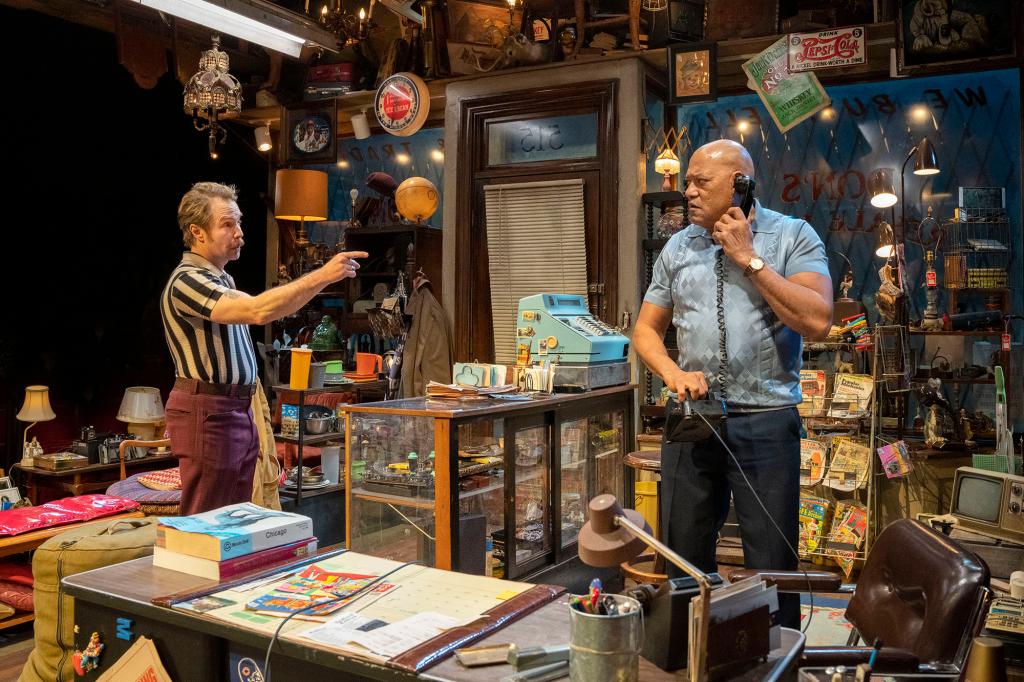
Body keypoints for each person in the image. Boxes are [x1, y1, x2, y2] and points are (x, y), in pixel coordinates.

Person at [633, 140, 833, 628]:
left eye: (702, 182)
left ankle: (778, 655)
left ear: (741, 185)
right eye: (688, 181)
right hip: (693, 419)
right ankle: (681, 656)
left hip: (765, 421)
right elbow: (645, 330)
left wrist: (748, 258)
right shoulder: (679, 245)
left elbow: (818, 319)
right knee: (681, 558)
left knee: (771, 561)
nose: (689, 192)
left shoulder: (791, 236)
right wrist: (673, 373)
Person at [160, 182, 367, 515]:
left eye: (239, 222)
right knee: (207, 519)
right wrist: (321, 275)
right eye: (227, 224)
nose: (239, 232)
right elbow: (259, 310)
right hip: (207, 409)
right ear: (197, 232)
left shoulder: (222, 280)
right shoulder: (187, 280)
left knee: (237, 515)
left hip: (236, 408)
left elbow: (274, 308)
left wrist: (325, 280)